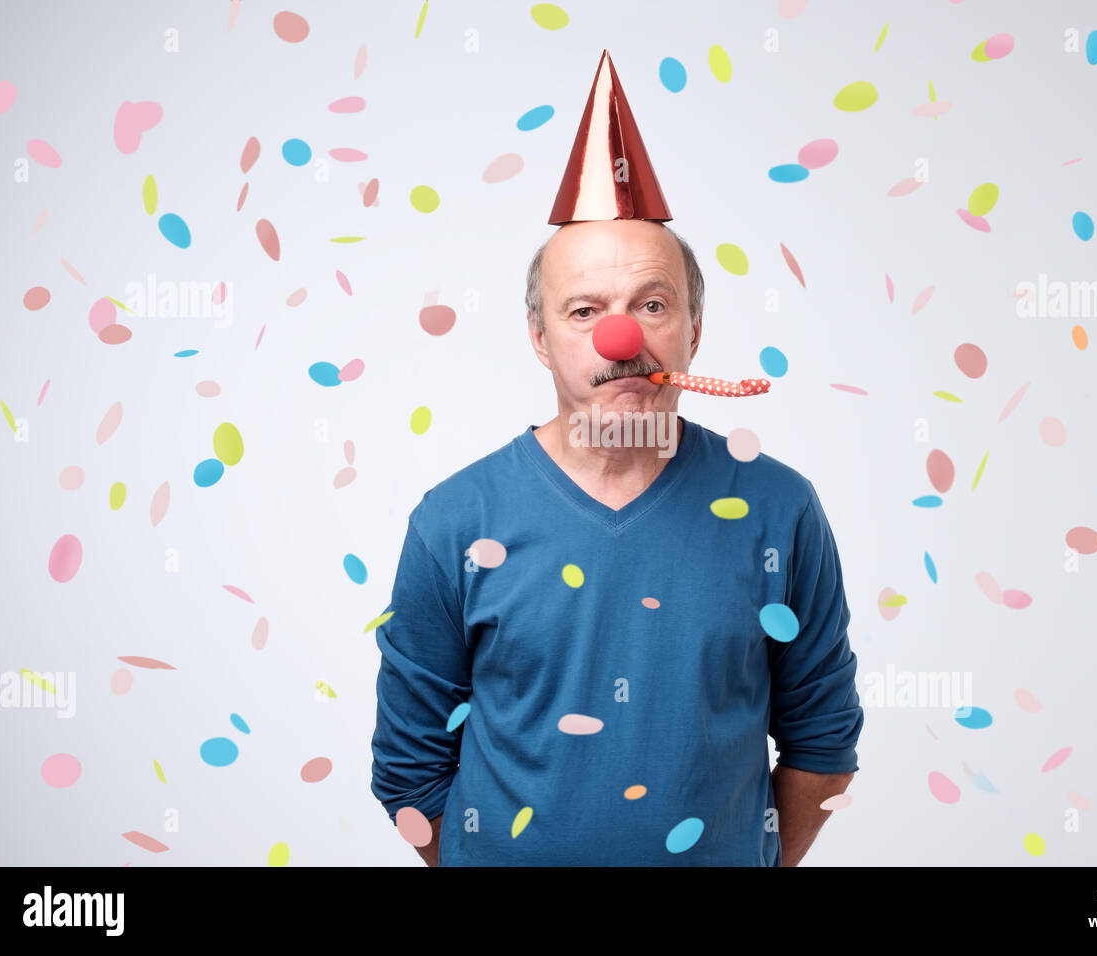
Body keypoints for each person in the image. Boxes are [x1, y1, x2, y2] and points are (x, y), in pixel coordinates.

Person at [370, 50, 863, 866]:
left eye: (652, 305)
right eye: (585, 310)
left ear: (693, 331)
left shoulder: (781, 510)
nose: (619, 338)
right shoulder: (454, 521)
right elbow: (409, 764)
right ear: (540, 338)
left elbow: (824, 741)